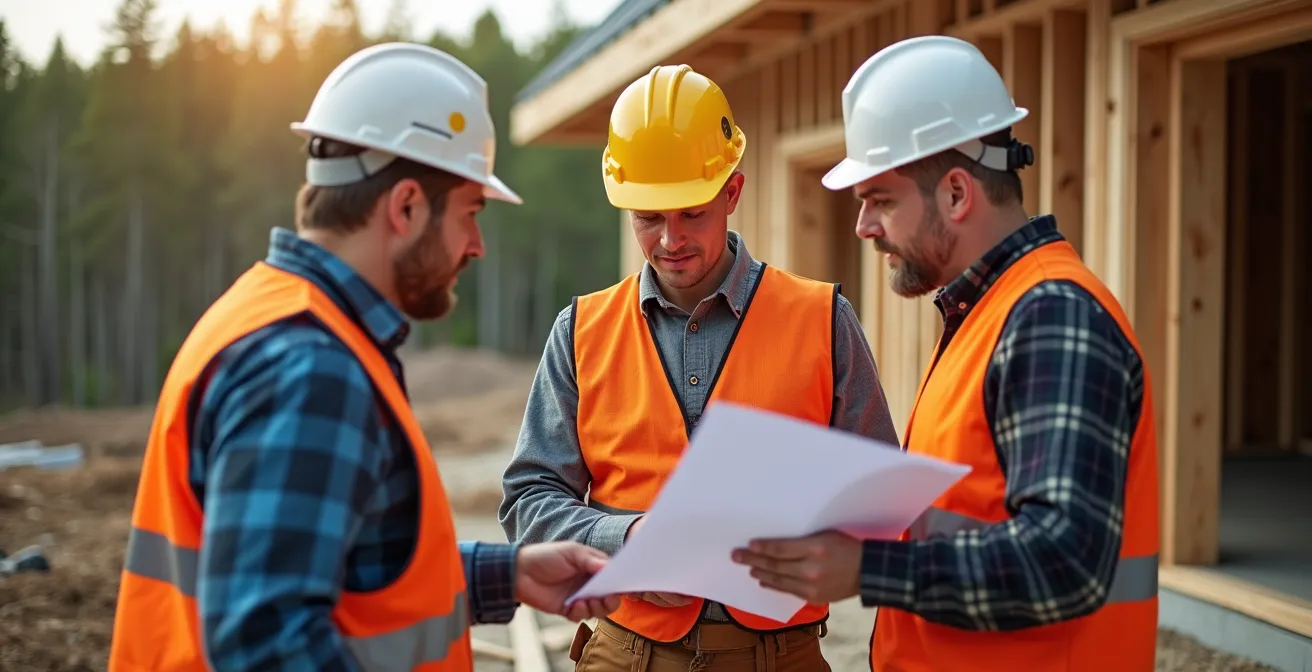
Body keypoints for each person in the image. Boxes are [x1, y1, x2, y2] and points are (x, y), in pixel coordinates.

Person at [108, 43, 619, 672]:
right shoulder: (309, 367)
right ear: (405, 207)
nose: (477, 245)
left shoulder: (276, 317)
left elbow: (341, 569)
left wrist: (503, 573)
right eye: (470, 213)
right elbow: (269, 647)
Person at [731, 35, 1160, 671]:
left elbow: (1064, 562)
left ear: (957, 194)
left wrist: (869, 568)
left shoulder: (1052, 317)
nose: (864, 227)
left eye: (881, 200)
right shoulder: (987, 313)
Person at [499, 63, 901, 671]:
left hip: (778, 656)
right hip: (624, 654)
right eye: (648, 218)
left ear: (732, 193)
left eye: (692, 213)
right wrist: (626, 542)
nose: (669, 241)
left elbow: (882, 499)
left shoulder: (822, 319)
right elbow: (528, 499)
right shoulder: (580, 332)